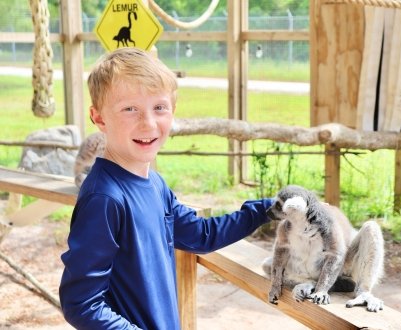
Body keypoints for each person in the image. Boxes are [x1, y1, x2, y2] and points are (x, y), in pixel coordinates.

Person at [59, 47, 273, 329]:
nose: (147, 123)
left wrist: (270, 208)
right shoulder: (105, 198)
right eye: (130, 109)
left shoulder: (155, 184)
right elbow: (82, 304)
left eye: (159, 107)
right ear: (99, 118)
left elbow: (200, 235)